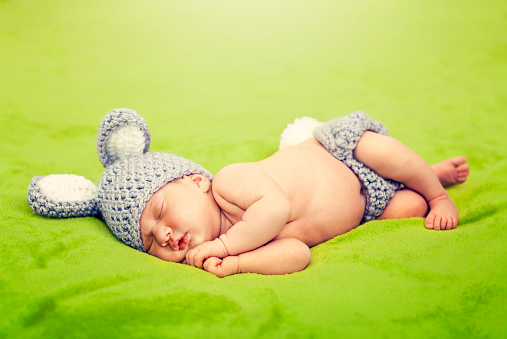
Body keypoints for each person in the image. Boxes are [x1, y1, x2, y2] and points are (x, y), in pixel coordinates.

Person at [27, 109, 469, 278]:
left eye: (160, 210)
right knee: (408, 208)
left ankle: (434, 183)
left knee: (381, 150)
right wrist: (238, 263)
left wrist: (224, 244)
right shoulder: (241, 244)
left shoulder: (229, 184)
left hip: (344, 156)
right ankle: (417, 190)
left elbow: (275, 208)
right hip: (369, 205)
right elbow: (297, 252)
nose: (162, 233)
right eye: (149, 239)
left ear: (195, 182)